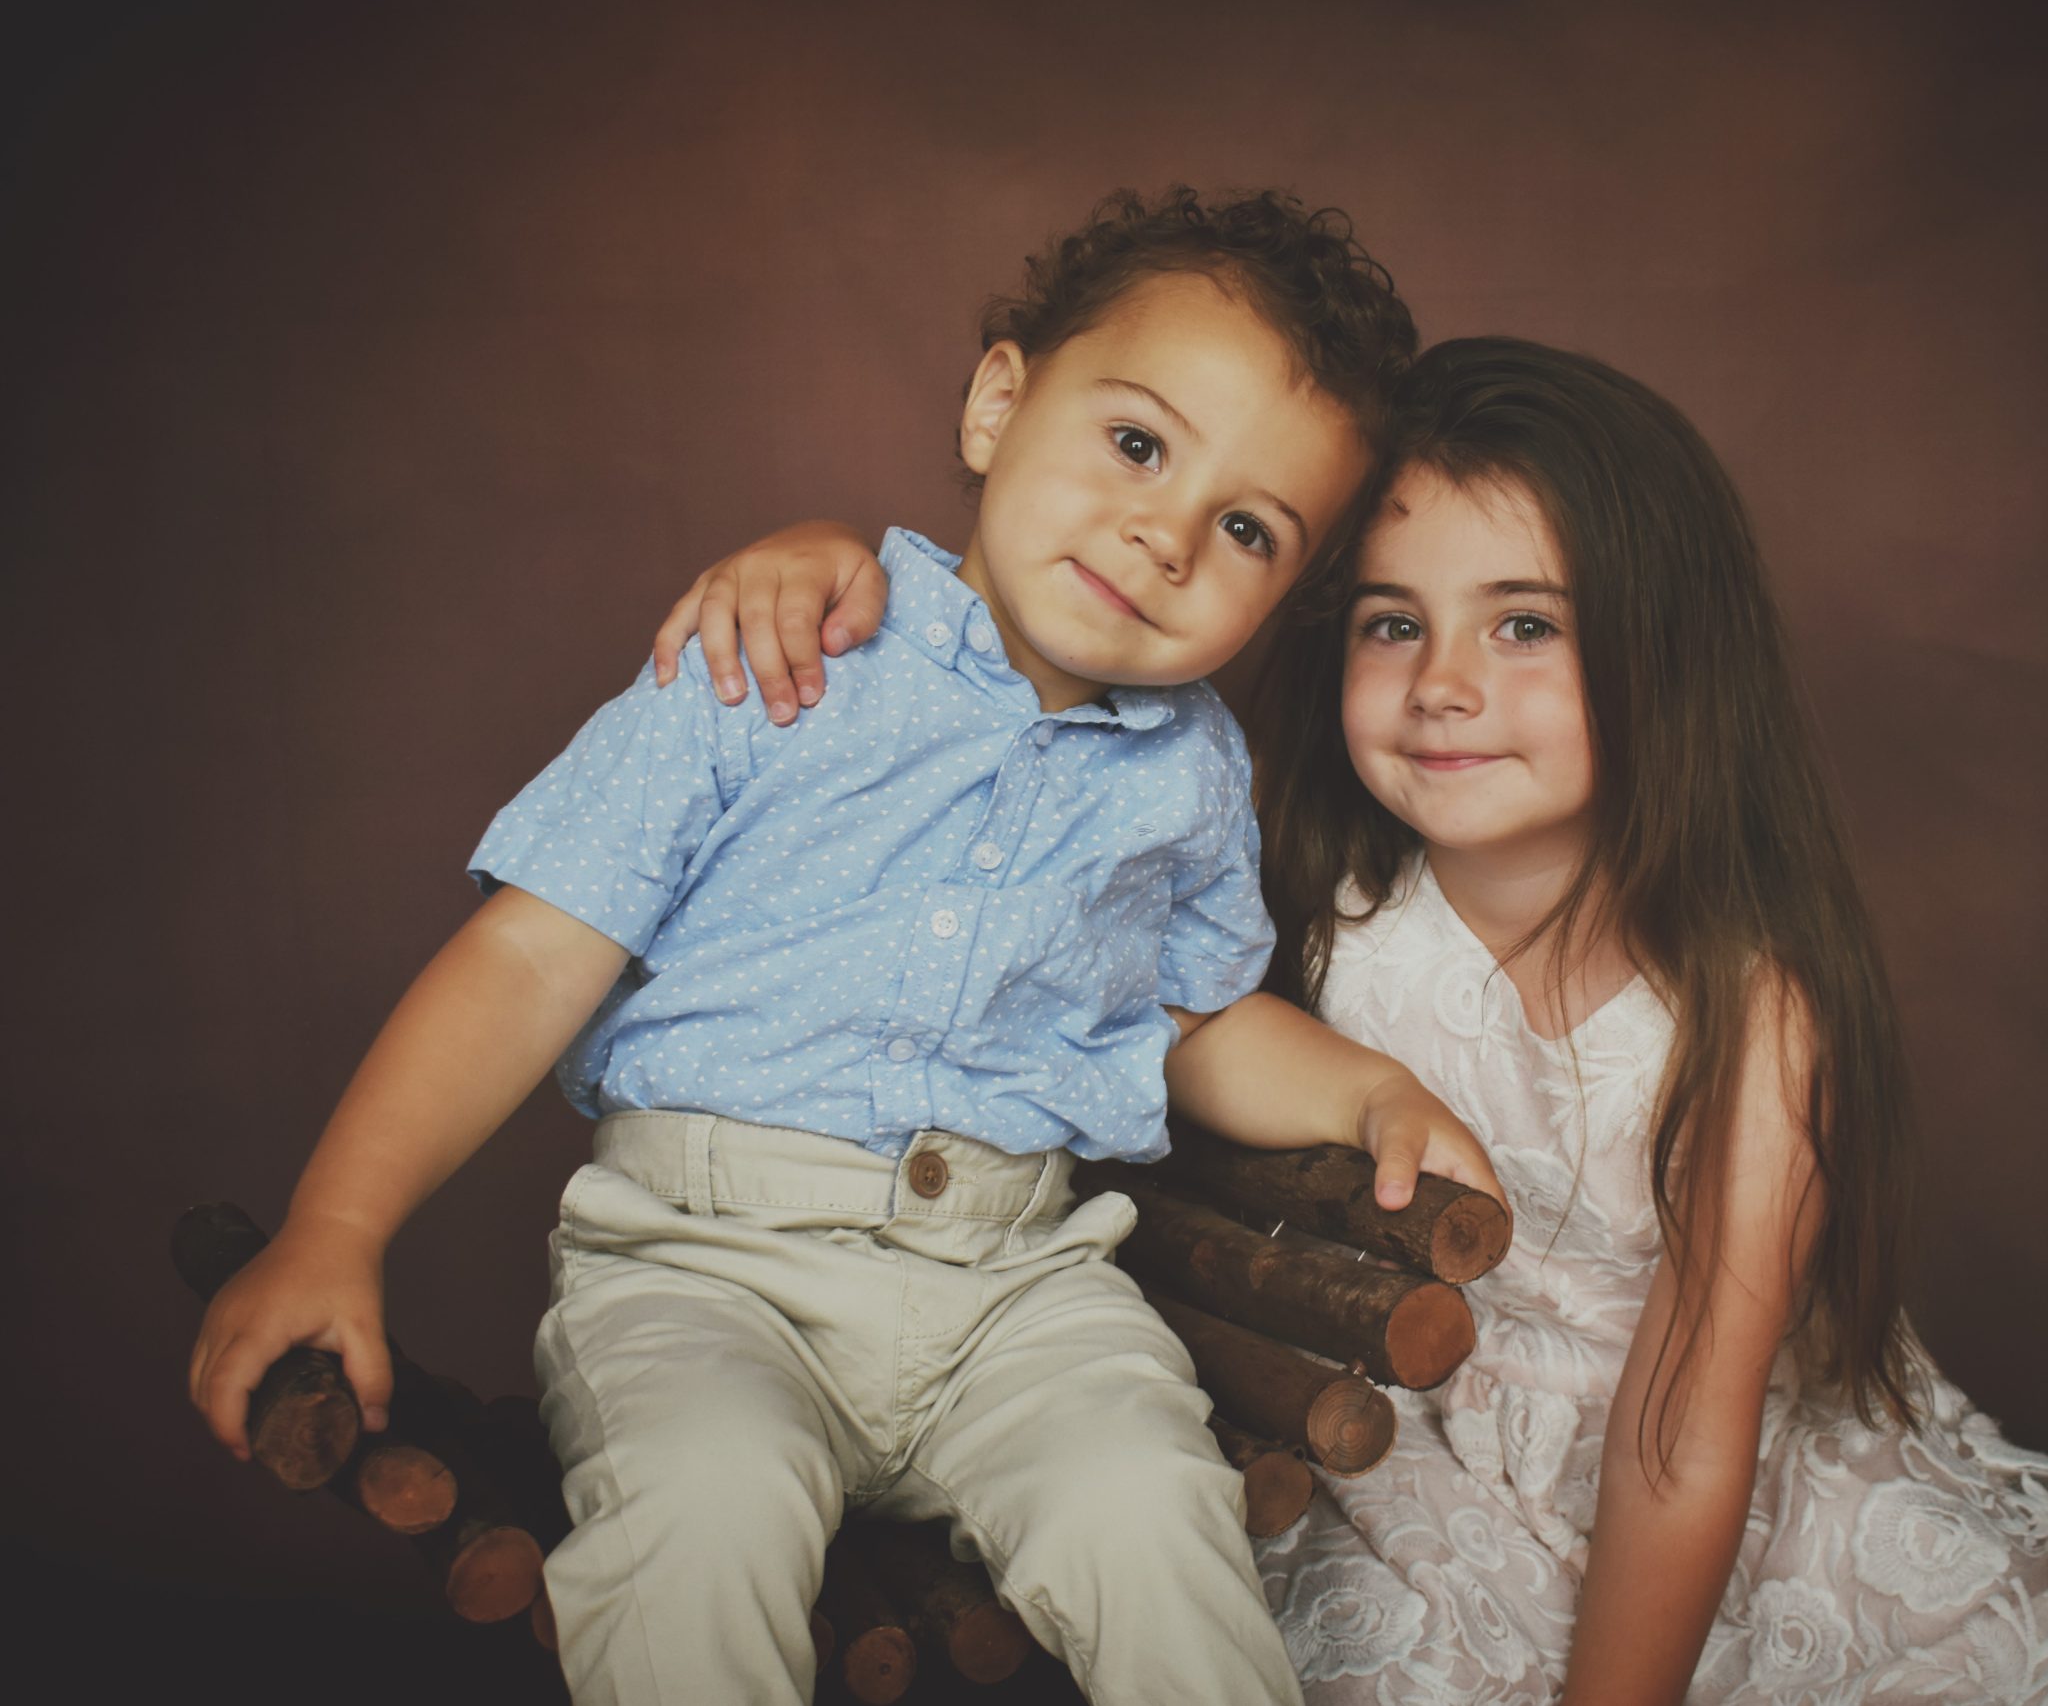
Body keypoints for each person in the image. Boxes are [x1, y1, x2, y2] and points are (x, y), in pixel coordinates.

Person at [655, 338, 2048, 1702]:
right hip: (1404, 1446)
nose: (1444, 683)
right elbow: (1029, 743)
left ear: (1670, 649)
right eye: (1393, 623)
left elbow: (1683, 1433)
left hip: (1708, 1492)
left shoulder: (1753, 1009)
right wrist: (831, 568)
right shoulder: (1296, 898)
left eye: (1524, 626)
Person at [185, 187, 1509, 1706]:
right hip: (703, 1270)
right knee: (702, 1514)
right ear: (999, 404)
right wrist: (338, 1226)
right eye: (1138, 444)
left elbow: (1192, 1020)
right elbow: (532, 958)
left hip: (1016, 1287)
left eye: (1248, 529)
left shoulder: (1193, 773)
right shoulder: (778, 648)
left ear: (1285, 594)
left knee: (1153, 1508)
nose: (1165, 536)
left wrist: (1364, 1093)